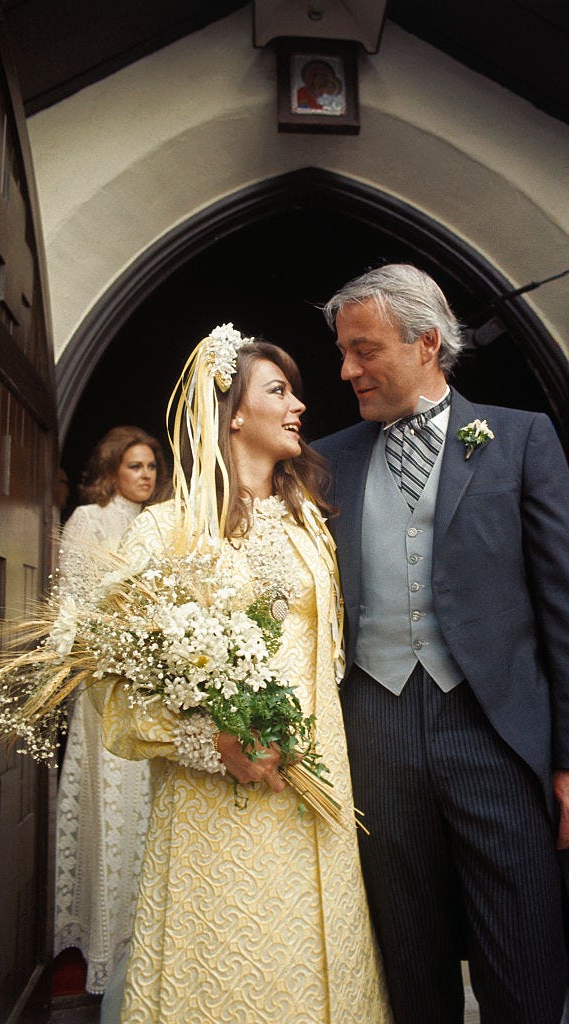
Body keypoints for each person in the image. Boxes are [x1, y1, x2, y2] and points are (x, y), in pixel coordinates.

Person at [313, 263, 569, 1024]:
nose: (347, 369)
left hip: (495, 730)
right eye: (343, 352)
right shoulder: (324, 460)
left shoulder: (518, 439)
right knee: (404, 949)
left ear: (426, 342)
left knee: (519, 944)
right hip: (370, 728)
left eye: (364, 349)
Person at [97, 329, 391, 1024]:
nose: (298, 405)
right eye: (278, 391)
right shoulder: (164, 531)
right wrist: (215, 746)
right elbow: (112, 681)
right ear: (231, 412)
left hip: (319, 785)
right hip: (218, 804)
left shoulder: (310, 524)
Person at [54, 426, 167, 995]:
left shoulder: (161, 523)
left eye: (151, 466)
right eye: (134, 467)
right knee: (110, 806)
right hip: (106, 687)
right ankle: (104, 938)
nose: (146, 475)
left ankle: (148, 935)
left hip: (155, 689)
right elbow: (73, 609)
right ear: (111, 471)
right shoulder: (87, 522)